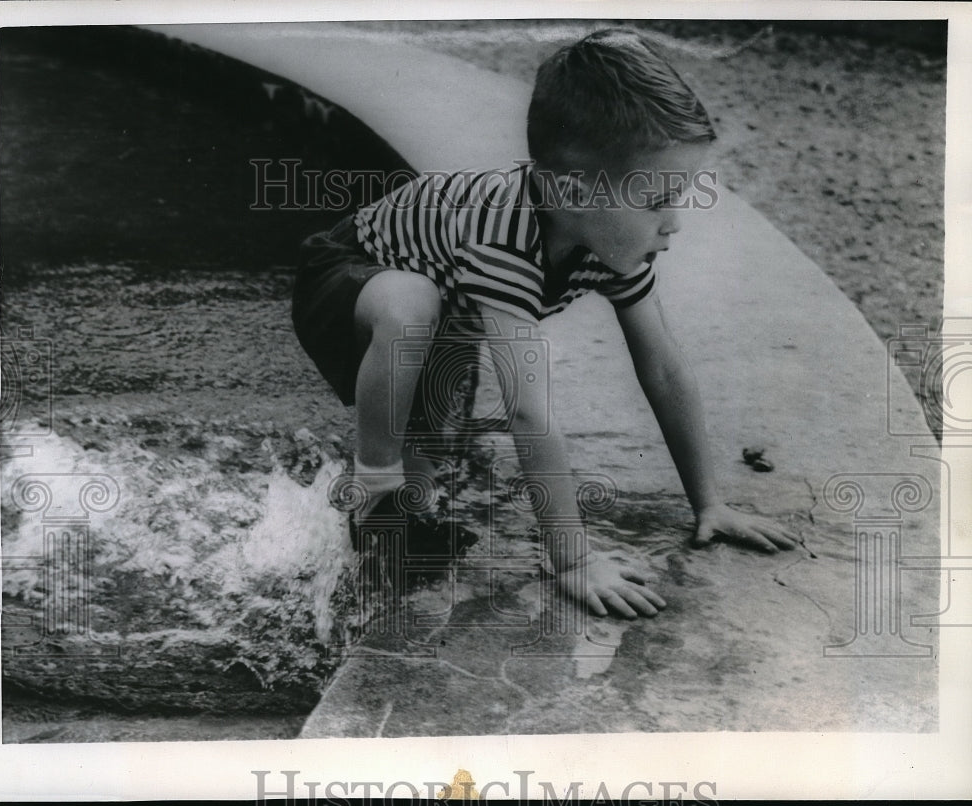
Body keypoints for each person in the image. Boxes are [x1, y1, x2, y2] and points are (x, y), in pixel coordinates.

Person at [292, 27, 798, 619]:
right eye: (657, 200)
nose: (674, 223)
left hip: (447, 313)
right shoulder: (505, 236)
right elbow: (528, 410)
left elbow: (662, 366)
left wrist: (709, 503)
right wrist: (573, 558)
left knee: (419, 493)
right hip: (351, 278)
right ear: (573, 191)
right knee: (411, 305)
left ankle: (383, 520)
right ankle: (371, 484)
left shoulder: (605, 240)